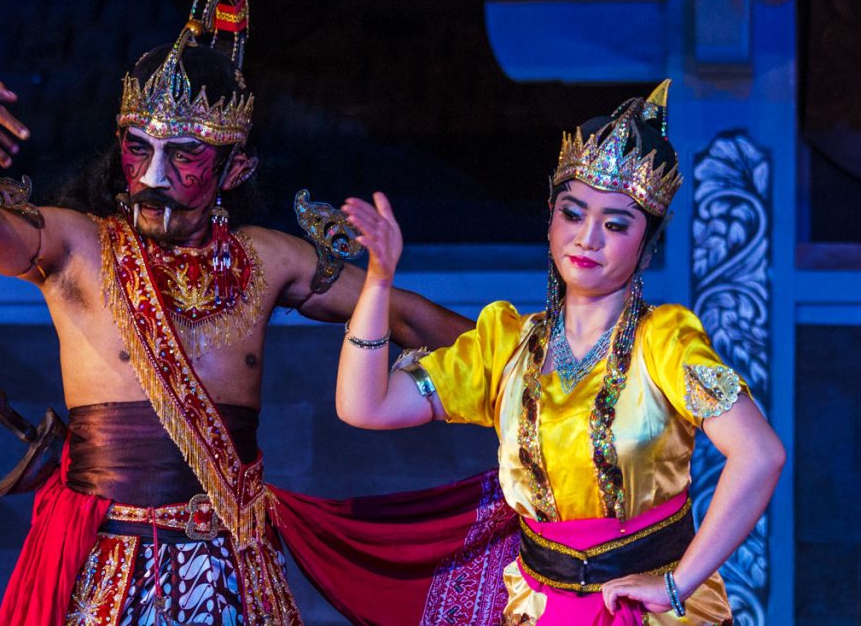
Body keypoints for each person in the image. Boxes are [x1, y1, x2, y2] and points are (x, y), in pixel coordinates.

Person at [0, 0, 470, 626]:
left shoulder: (268, 259)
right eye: (139, 148)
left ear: (237, 167)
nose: (153, 173)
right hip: (108, 569)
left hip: (232, 566)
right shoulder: (78, 247)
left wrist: (544, 362)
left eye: (186, 154)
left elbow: (410, 316)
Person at [334, 81, 785, 625]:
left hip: (648, 612)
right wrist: (379, 282)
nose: (588, 238)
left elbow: (760, 455)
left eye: (616, 225)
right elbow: (365, 406)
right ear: (550, 220)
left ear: (646, 249)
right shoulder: (506, 345)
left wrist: (676, 583)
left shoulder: (664, 341)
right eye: (573, 214)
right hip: (542, 608)